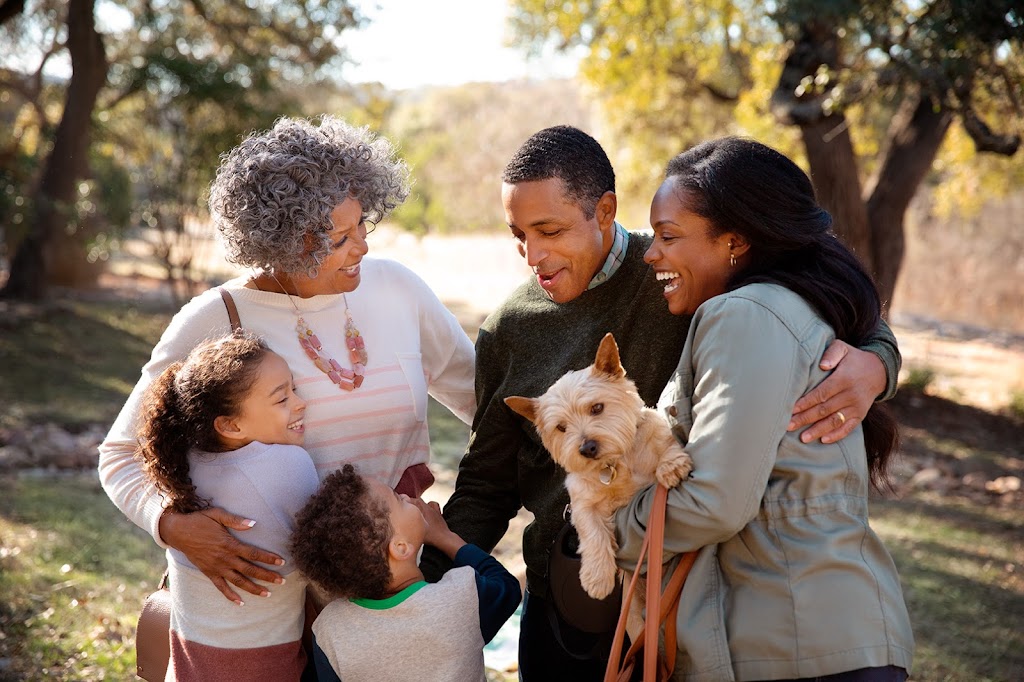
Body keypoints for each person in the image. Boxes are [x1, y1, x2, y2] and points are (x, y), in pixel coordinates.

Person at [420, 125, 903, 680]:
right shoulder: (510, 327)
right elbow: (486, 483)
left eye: (549, 230)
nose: (534, 254)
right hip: (570, 591)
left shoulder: (685, 274)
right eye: (518, 235)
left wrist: (878, 361)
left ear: (604, 211)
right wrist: (423, 585)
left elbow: (817, 308)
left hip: (682, 586)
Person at [99, 115, 476, 608]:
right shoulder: (218, 317)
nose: (361, 245)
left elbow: (485, 403)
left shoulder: (399, 289)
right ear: (281, 241)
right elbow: (122, 454)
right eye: (337, 239)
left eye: (361, 223)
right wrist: (171, 525)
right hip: (269, 601)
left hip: (394, 586)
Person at [615, 137, 913, 680]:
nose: (650, 254)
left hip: (796, 643)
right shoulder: (792, 303)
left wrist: (604, 529)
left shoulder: (746, 314)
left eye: (668, 236)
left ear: (734, 241)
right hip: (819, 634)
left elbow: (715, 502)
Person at [134, 333, 319, 680]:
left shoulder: (184, 460)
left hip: (189, 659)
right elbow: (324, 555)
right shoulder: (288, 466)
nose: (300, 403)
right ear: (230, 425)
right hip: (261, 664)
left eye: (294, 389)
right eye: (282, 399)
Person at [289, 463, 522, 682]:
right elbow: (507, 588)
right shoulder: (461, 598)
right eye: (398, 500)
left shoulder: (330, 629)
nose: (407, 496)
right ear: (401, 547)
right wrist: (447, 539)